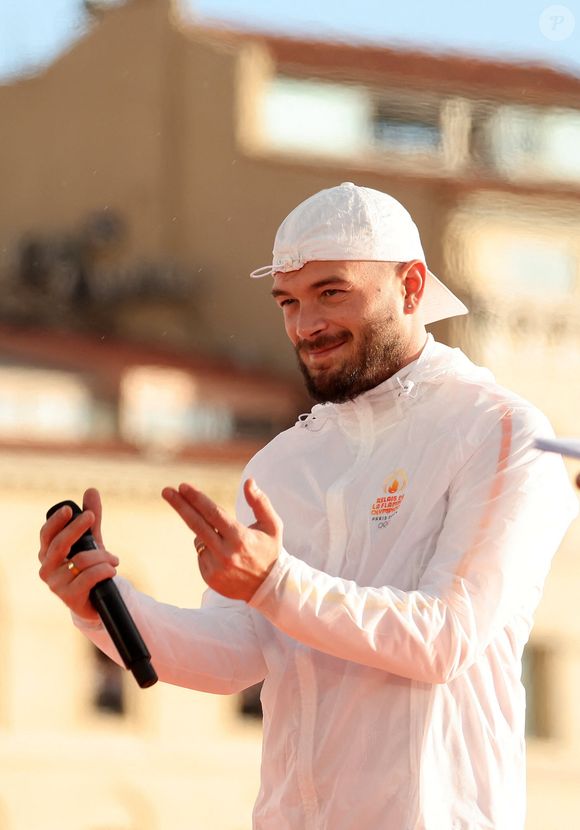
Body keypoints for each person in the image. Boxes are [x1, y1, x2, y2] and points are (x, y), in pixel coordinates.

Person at [39, 182, 578, 830]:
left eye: (331, 292)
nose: (305, 325)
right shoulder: (282, 465)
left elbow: (447, 637)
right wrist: (100, 602)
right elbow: (232, 657)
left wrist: (275, 582)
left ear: (412, 286)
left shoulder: (503, 432)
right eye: (289, 301)